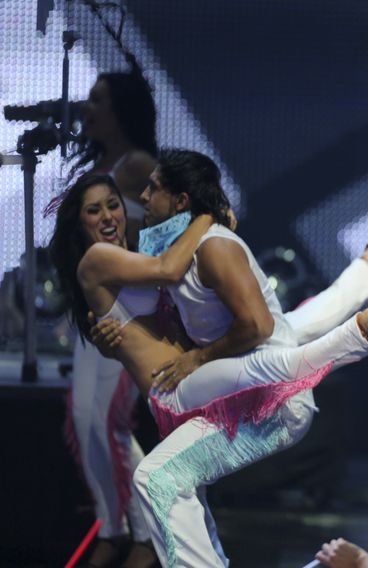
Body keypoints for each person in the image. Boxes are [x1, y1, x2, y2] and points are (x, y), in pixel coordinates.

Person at [49, 171, 368, 567]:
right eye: (94, 211)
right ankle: (358, 332)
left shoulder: (134, 258)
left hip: (193, 383)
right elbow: (170, 268)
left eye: (113, 204)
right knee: (270, 363)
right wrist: (206, 217)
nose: (108, 216)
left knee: (283, 329)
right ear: (79, 224)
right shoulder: (98, 260)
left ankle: (364, 279)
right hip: (174, 391)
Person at [51, 68, 160, 568]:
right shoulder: (103, 163)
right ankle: (113, 524)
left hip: (129, 311)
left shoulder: (138, 166)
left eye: (97, 100)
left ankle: (142, 532)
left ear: (120, 110)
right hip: (95, 309)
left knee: (111, 423)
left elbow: (158, 235)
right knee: (84, 420)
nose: (88, 109)